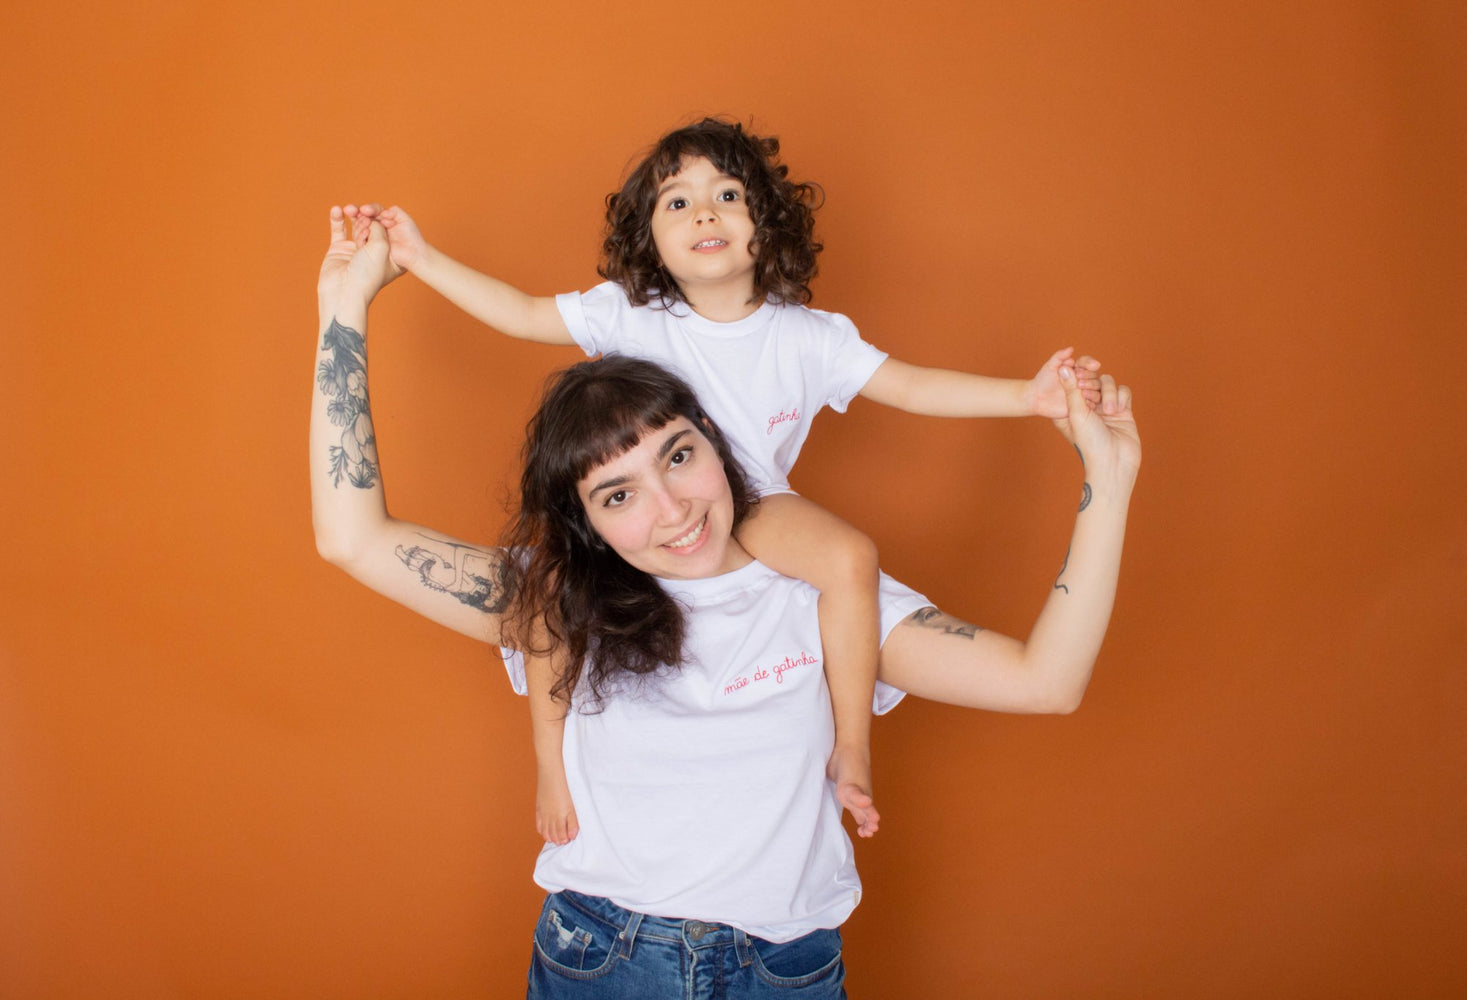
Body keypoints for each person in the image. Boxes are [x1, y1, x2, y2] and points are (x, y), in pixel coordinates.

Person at [311, 208, 1140, 998]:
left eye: (679, 456)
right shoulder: (559, 602)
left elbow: (1046, 681)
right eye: (618, 495)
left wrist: (1110, 477)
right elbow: (353, 538)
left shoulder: (830, 596)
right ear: (587, 523)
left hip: (785, 972)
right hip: (605, 961)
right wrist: (344, 306)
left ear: (716, 437)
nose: (671, 508)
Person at [358, 116, 1105, 840]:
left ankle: (851, 745)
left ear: (764, 223)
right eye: (676, 202)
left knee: (849, 558)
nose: (703, 213)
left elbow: (911, 388)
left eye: (727, 195)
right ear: (648, 236)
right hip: (655, 508)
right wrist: (420, 259)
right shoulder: (631, 314)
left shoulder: (809, 337)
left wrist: (1026, 398)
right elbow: (520, 313)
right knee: (554, 596)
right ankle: (552, 768)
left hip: (752, 508)